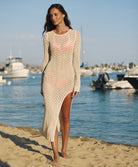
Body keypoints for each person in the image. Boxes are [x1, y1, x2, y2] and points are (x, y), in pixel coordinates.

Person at [41, 3, 81, 166]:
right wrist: (41, 86)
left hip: (67, 80)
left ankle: (64, 150)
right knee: (52, 118)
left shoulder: (75, 35)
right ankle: (56, 156)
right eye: (51, 15)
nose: (53, 18)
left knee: (65, 117)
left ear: (63, 14)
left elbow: (76, 60)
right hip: (50, 79)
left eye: (56, 14)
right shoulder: (48, 36)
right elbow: (45, 60)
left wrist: (77, 83)